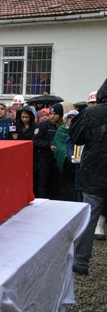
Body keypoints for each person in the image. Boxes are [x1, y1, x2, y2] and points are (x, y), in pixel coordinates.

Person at [69, 78, 107, 275]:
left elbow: (76, 137)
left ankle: (81, 262)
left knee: (89, 219)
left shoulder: (91, 113)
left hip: (95, 174)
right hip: (96, 172)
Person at [33, 103, 63, 199]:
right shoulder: (43, 125)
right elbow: (36, 140)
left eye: (55, 114)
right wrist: (48, 145)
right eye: (51, 114)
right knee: (43, 183)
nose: (52, 116)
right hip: (45, 158)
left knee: (56, 183)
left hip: (58, 159)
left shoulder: (62, 127)